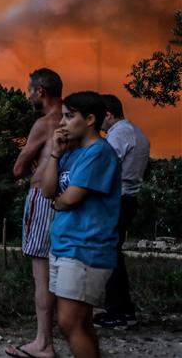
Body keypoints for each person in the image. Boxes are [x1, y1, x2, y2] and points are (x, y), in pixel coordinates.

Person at [41, 91, 121, 358]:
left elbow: (70, 200)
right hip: (66, 245)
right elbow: (48, 190)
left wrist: (60, 201)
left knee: (69, 322)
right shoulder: (72, 153)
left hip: (86, 248)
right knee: (81, 323)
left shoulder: (98, 152)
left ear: (89, 119)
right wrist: (54, 155)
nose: (62, 122)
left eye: (69, 116)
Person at [6, 68, 63, 358]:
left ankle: (44, 343)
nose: (28, 95)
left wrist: (32, 164)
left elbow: (18, 168)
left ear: (40, 91)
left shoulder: (45, 123)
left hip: (43, 198)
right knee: (63, 270)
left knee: (41, 272)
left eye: (29, 90)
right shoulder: (74, 120)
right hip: (68, 198)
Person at [94, 94, 150, 329]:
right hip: (129, 198)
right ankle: (123, 311)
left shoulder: (119, 133)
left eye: (99, 117)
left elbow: (103, 163)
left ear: (108, 114)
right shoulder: (137, 132)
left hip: (117, 199)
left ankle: (118, 312)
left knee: (109, 256)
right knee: (114, 254)